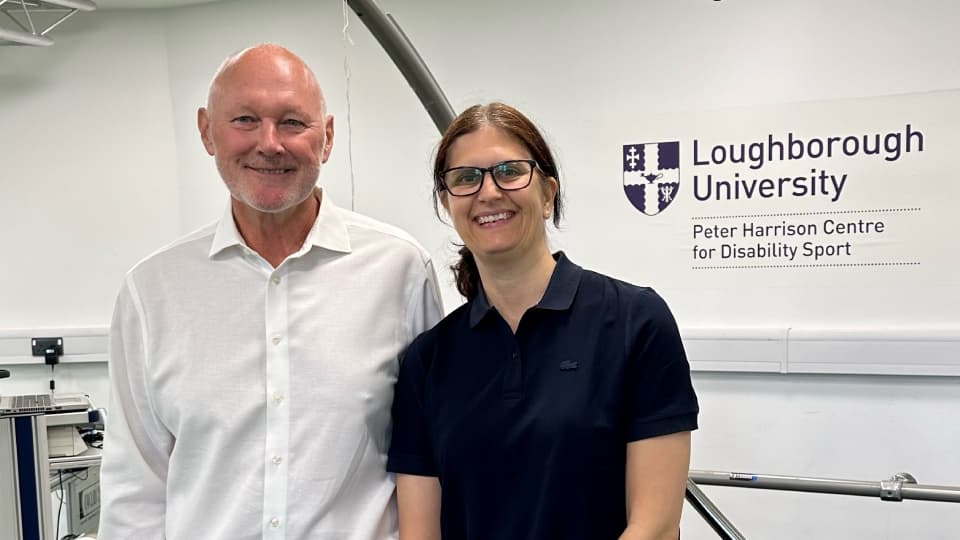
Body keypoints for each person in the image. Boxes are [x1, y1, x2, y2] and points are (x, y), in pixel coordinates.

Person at [98, 44, 443, 539]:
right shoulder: (152, 293)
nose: (269, 143)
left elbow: (429, 455)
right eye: (244, 119)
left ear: (326, 138)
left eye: (292, 122)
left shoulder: (400, 271)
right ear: (206, 131)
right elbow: (136, 489)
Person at [387, 103, 699, 540]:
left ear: (548, 192)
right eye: (466, 178)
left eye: (510, 171)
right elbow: (420, 533)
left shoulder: (635, 322)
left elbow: (656, 525)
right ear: (447, 203)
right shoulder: (428, 360)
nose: (488, 192)